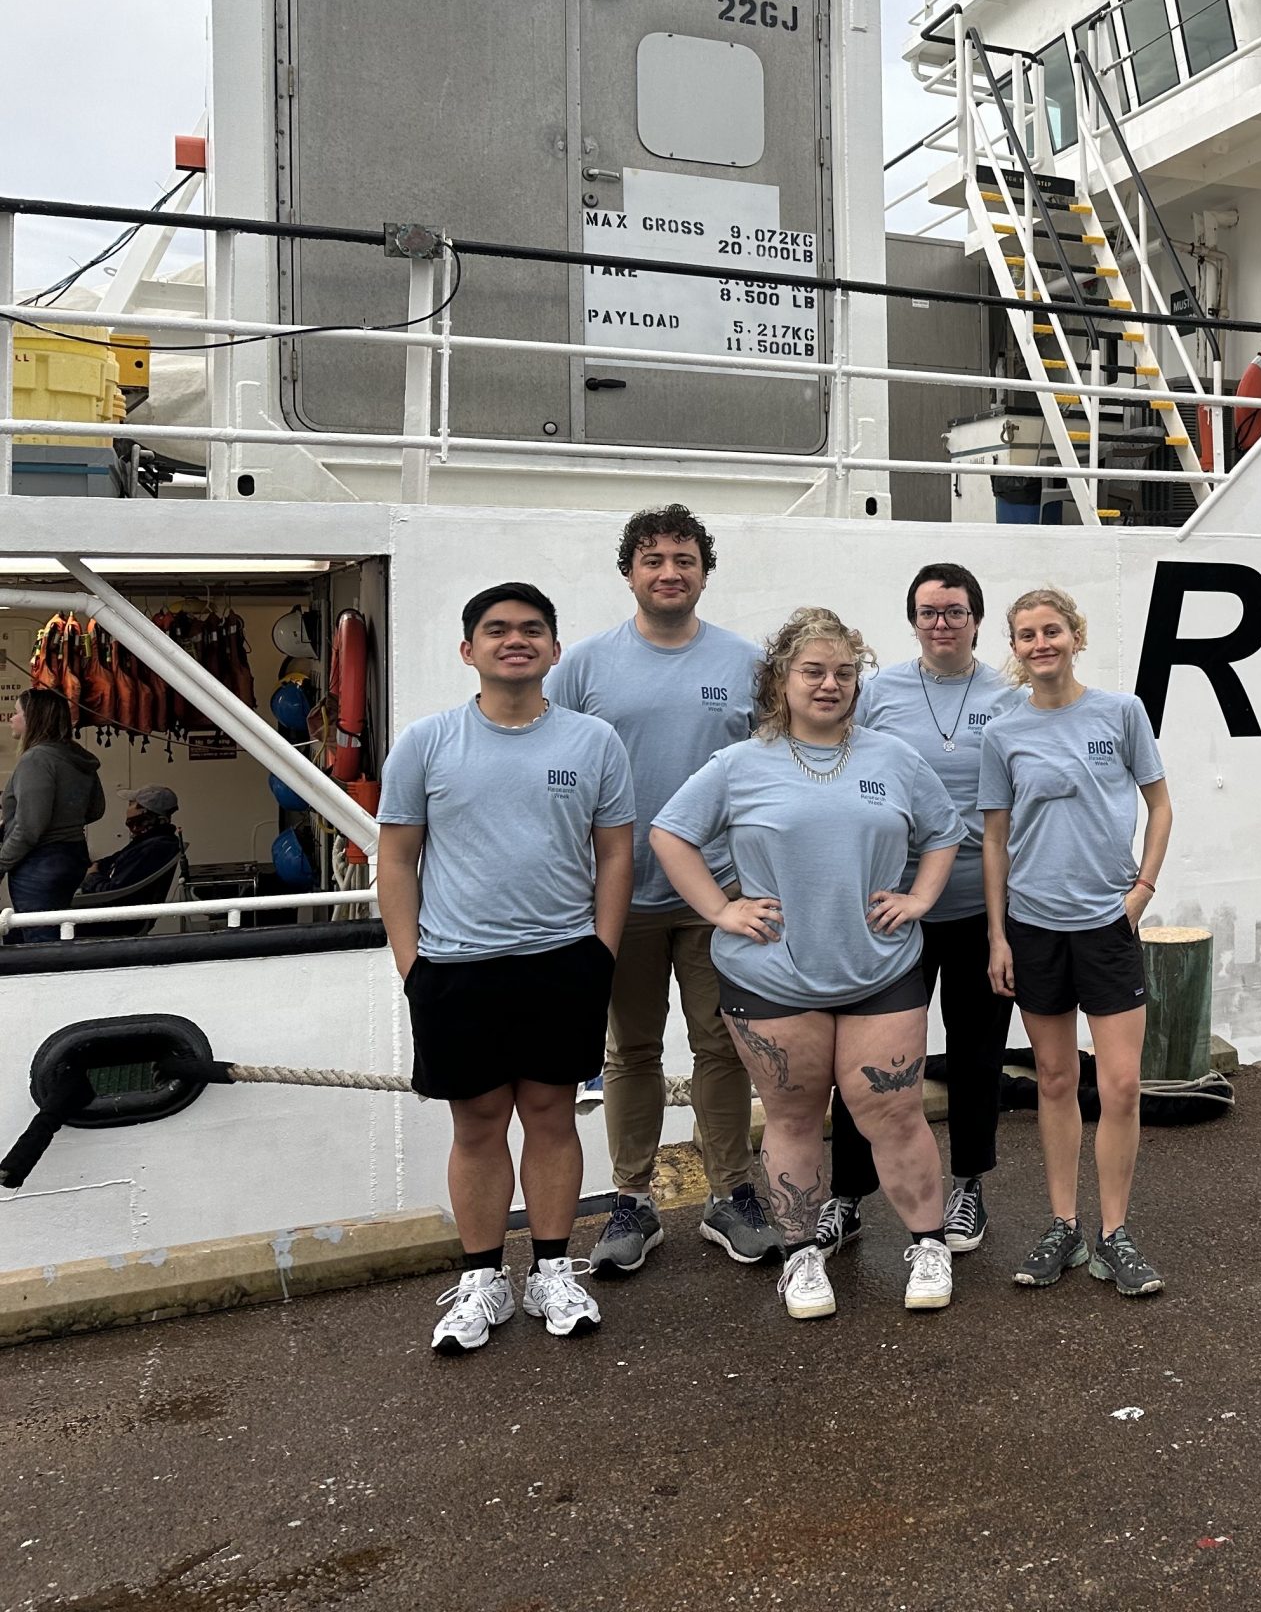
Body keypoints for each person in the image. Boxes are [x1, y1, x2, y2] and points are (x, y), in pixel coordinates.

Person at [651, 608, 965, 1322]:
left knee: (894, 1111)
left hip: (879, 968)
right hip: (772, 977)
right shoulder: (740, 764)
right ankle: (801, 1257)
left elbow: (945, 831)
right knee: (793, 1116)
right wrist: (720, 910)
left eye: (845, 673)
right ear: (781, 680)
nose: (830, 685)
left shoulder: (892, 757)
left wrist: (919, 896)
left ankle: (929, 1242)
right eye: (813, 671)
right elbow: (671, 833)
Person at [378, 583, 634, 1356]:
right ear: (469, 651)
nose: (513, 640)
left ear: (555, 650)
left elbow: (616, 850)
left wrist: (601, 952)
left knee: (553, 1118)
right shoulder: (425, 743)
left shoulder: (593, 743)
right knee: (478, 1125)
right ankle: (483, 1278)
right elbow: (395, 855)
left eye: (531, 630)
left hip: (563, 962)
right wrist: (411, 965)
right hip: (457, 967)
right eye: (496, 631)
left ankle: (552, 1269)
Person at [551, 504, 776, 1275]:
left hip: (723, 894)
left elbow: (773, 775)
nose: (669, 573)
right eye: (654, 561)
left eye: (684, 559)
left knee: (723, 1046)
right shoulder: (582, 667)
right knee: (630, 1051)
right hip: (622, 895)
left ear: (704, 572)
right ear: (629, 573)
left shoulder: (747, 665)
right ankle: (632, 1200)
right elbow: (558, 774)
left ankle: (730, 1193)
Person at [822, 563, 1022, 1259]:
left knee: (976, 1054)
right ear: (913, 620)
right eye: (930, 612)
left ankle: (968, 1185)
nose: (942, 623)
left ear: (976, 619)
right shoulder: (877, 695)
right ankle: (845, 1197)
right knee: (868, 1062)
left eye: (956, 611)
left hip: (981, 908)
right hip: (890, 910)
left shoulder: (1009, 693)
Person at [981, 587, 1174, 1297]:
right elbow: (994, 839)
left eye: (1052, 630)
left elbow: (1159, 805)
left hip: (1106, 926)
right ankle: (1062, 1226)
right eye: (1027, 634)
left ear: (1075, 634)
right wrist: (998, 934)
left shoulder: (1121, 713)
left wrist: (1141, 892)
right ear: (1016, 646)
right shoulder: (1003, 733)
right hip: (1034, 927)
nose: (1041, 644)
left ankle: (1114, 1234)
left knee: (1120, 1085)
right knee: (1056, 1080)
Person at [0, 687, 104, 930]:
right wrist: (64, 821)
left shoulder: (36, 759)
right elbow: (96, 809)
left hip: (40, 863)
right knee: (58, 932)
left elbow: (28, 828)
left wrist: (1, 864)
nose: (11, 718)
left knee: (40, 942)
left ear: (34, 718)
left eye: (16, 713)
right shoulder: (77, 757)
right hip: (73, 856)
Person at [82, 785, 185, 897]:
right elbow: (110, 862)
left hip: (107, 909)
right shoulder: (147, 842)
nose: (128, 808)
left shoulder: (153, 848)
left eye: (132, 803)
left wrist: (92, 876)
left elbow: (113, 893)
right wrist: (94, 867)